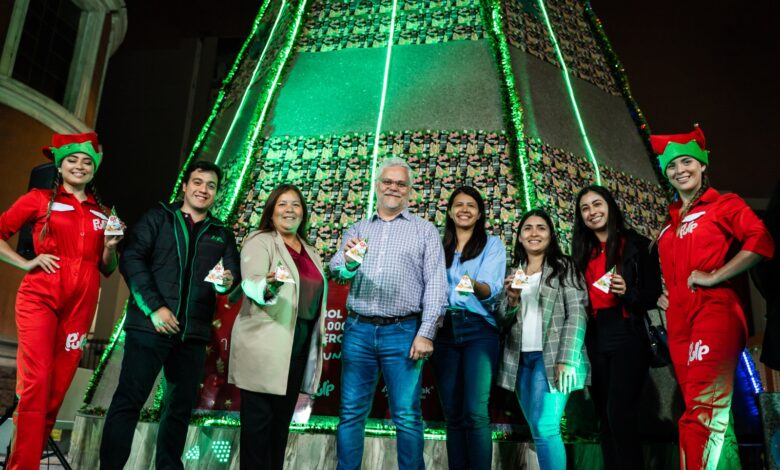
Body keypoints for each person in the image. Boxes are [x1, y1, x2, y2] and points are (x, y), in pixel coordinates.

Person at [99, 161, 240, 470]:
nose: (203, 189)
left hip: (192, 335)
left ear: (217, 193)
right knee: (129, 402)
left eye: (211, 185)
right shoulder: (157, 218)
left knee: (178, 410)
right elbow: (132, 261)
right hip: (149, 328)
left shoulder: (221, 234)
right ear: (185, 186)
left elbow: (232, 277)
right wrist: (155, 308)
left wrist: (228, 281)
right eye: (198, 182)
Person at [651, 125, 774, 469]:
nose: (679, 171)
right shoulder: (670, 221)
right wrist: (668, 292)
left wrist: (716, 275)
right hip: (678, 320)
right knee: (706, 413)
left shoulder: (723, 204)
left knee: (703, 413)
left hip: (715, 311)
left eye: (687, 162)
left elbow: (760, 241)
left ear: (703, 165)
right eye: (672, 167)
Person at [0, 132, 120, 469]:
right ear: (60, 164)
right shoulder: (39, 199)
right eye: (72, 160)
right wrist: (25, 263)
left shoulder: (104, 213)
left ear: (94, 169)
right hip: (40, 298)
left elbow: (108, 269)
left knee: (56, 390)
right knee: (36, 383)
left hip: (80, 308)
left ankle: (25, 460)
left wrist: (111, 247)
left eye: (86, 161)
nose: (79, 166)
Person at [329, 157, 448, 470]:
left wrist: (426, 333)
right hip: (359, 330)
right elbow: (337, 269)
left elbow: (436, 286)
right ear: (377, 186)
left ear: (409, 191)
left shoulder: (424, 231)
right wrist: (350, 264)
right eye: (388, 182)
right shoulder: (358, 228)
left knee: (407, 416)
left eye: (401, 183)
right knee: (351, 413)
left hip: (403, 332)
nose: (394, 187)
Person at [228, 184, 327, 470]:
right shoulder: (259, 241)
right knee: (257, 431)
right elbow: (251, 281)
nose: (289, 210)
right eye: (282, 204)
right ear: (271, 212)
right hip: (264, 347)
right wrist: (267, 287)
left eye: (296, 205)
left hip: (297, 348)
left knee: (279, 429)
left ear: (303, 213)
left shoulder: (311, 251)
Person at [572, 185, 661, 469]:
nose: (592, 212)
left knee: (619, 414)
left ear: (610, 206)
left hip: (627, 332)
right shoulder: (581, 252)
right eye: (585, 208)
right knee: (605, 420)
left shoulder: (637, 244)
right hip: (595, 336)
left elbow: (652, 296)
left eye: (597, 204)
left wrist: (628, 290)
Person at [496, 208, 588, 470]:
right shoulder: (516, 271)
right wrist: (512, 298)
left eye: (541, 227)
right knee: (537, 428)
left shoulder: (564, 267)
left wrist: (567, 358)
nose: (534, 233)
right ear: (520, 237)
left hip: (553, 358)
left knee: (545, 426)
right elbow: (502, 319)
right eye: (528, 228)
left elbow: (578, 314)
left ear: (550, 235)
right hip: (520, 359)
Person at [431, 186, 505, 470]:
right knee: (452, 413)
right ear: (449, 212)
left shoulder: (492, 245)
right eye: (458, 204)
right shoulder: (437, 246)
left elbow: (490, 291)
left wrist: (472, 283)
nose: (464, 209)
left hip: (478, 329)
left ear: (479, 213)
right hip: (444, 330)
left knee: (475, 412)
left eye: (471, 205)